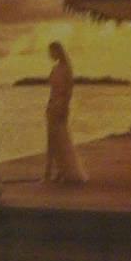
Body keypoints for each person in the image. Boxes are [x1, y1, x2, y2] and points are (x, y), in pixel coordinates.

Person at [42, 38, 83, 186]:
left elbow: (69, 90)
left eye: (52, 52)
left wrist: (64, 107)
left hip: (61, 105)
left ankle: (62, 172)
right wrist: (49, 105)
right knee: (52, 140)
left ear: (58, 52)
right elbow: (52, 89)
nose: (50, 55)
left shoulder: (66, 68)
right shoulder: (55, 68)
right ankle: (56, 171)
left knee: (60, 139)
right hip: (52, 104)